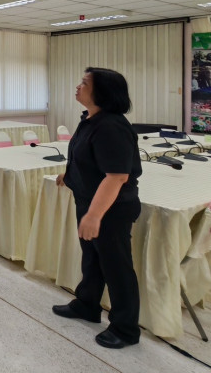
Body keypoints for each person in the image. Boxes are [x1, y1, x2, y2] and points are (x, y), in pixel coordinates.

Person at [53, 67, 142, 349]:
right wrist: (69, 176)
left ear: (102, 92)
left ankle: (125, 329)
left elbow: (116, 176)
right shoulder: (91, 119)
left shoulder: (111, 126)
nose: (78, 86)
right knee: (92, 258)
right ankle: (87, 304)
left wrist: (94, 215)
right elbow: (90, 160)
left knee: (116, 267)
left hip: (110, 209)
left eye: (84, 83)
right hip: (89, 201)